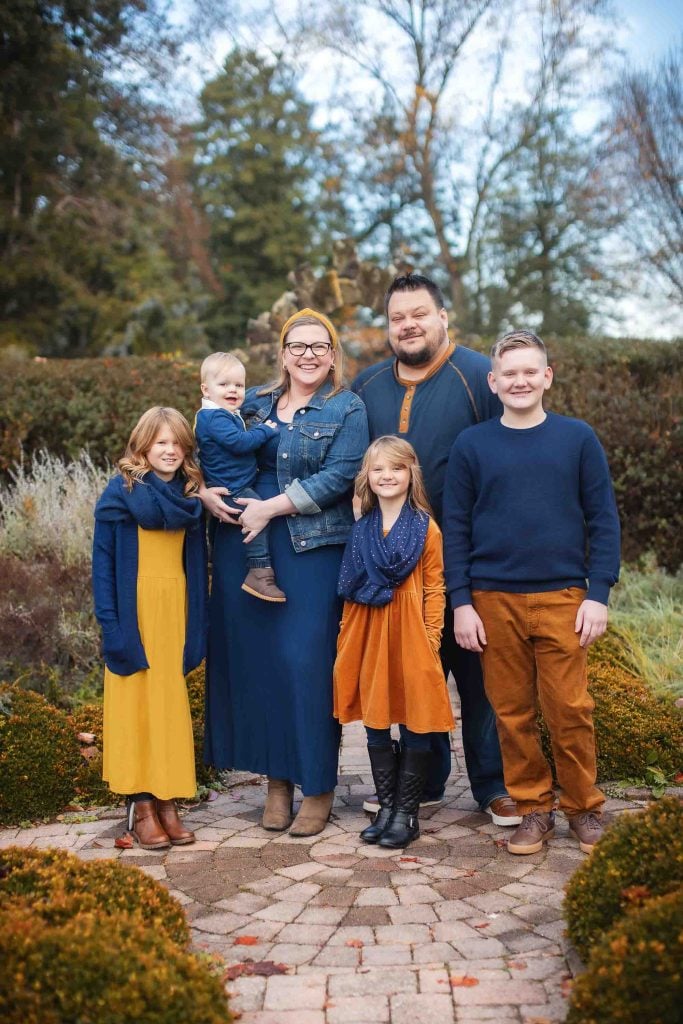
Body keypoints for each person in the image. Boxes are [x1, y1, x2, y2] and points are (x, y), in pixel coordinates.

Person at [443, 330, 621, 855]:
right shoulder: (473, 445)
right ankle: (533, 808)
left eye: (530, 371)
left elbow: (603, 521)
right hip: (493, 600)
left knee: (570, 709)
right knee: (512, 713)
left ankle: (584, 808)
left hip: (564, 598)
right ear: (493, 382)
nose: (520, 381)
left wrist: (598, 593)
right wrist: (461, 602)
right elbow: (456, 528)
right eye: (509, 373)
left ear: (547, 376)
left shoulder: (577, 439)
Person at [352, 273, 519, 826]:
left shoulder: (478, 376)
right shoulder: (366, 386)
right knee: (416, 678)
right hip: (395, 569)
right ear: (388, 325)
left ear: (443, 316)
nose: (409, 325)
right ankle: (423, 784)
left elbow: (506, 461)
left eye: (419, 313)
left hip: (470, 564)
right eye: (398, 317)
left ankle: (494, 785)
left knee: (479, 681)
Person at [202, 308, 369, 837]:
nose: (308, 356)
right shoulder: (250, 403)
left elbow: (340, 475)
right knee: (265, 667)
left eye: (319, 346)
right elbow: (204, 449)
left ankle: (316, 785)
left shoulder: (348, 408)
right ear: (282, 352)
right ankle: (277, 783)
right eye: (297, 346)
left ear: (333, 353)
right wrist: (200, 491)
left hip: (310, 550)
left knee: (306, 666)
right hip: (246, 549)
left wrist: (271, 507)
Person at [92, 407, 208, 849]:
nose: (170, 450)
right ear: (142, 446)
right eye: (161, 442)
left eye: (178, 443)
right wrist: (112, 627)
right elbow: (102, 565)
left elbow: (197, 568)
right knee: (136, 708)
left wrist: (198, 625)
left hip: (174, 610)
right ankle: (141, 807)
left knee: (168, 709)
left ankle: (167, 801)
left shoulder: (190, 498)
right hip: (133, 612)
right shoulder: (119, 494)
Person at [334, 437, 455, 848]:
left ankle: (407, 812)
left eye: (396, 469)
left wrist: (431, 637)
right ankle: (386, 807)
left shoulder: (426, 527)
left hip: (411, 630)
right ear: (367, 476)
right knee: (376, 721)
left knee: (416, 718)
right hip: (368, 628)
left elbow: (436, 588)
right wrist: (348, 639)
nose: (387, 476)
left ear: (410, 475)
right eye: (379, 469)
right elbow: (351, 588)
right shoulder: (362, 528)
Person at [195, 351, 284, 602]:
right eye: (223, 384)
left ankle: (213, 556)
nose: (233, 390)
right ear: (206, 389)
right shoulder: (214, 418)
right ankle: (259, 572)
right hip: (232, 487)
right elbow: (239, 443)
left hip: (232, 481)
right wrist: (265, 431)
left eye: (239, 385)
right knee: (255, 518)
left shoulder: (224, 414)